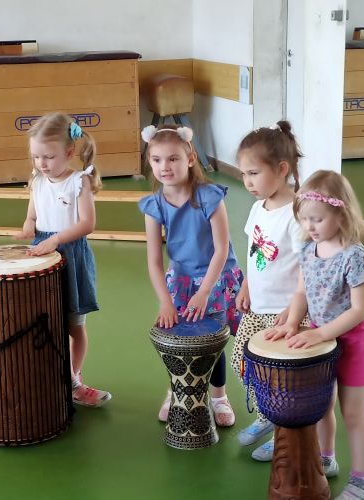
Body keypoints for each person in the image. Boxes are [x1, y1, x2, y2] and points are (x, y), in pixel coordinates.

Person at [266, 170, 364, 500]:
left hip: (355, 342)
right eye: (305, 219)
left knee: (353, 414)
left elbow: (360, 309)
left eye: (317, 219)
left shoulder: (355, 256)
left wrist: (320, 334)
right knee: (322, 408)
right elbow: (302, 293)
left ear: (341, 214)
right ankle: (326, 458)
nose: (310, 226)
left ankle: (362, 482)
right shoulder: (307, 249)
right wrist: (291, 323)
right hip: (322, 339)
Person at [138, 124, 243, 427]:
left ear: (191, 159)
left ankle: (219, 396)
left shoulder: (209, 197)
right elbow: (154, 262)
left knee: (212, 340)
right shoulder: (154, 205)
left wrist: (205, 292)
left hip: (215, 278)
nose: (164, 166)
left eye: (173, 158)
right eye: (156, 159)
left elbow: (221, 250)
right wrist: (165, 301)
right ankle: (176, 391)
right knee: (179, 339)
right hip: (181, 281)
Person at [16, 113, 111, 407]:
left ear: (69, 153)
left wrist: (56, 239)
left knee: (74, 325)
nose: (41, 163)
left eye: (49, 157)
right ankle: (58, 378)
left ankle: (74, 381)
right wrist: (28, 227)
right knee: (46, 321)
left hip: (70, 256)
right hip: (43, 253)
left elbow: (87, 224)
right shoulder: (37, 180)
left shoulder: (79, 181)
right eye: (36, 157)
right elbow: (32, 216)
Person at [230, 121, 309, 461]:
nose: (247, 182)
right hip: (258, 307)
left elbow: (307, 267)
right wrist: (246, 285)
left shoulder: (297, 213)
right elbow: (254, 252)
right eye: (243, 174)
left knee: (279, 377)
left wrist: (294, 311)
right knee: (242, 363)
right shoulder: (257, 208)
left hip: (285, 313)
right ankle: (267, 415)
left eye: (254, 173)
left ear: (281, 169)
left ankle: (282, 432)